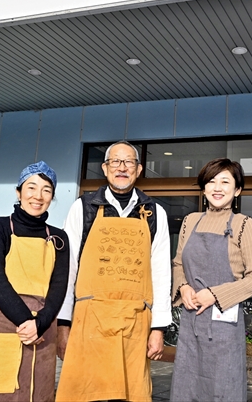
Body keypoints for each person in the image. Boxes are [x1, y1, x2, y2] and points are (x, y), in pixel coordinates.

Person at [56, 141, 171, 402]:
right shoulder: (82, 208)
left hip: (135, 322)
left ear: (139, 169)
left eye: (129, 162)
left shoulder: (154, 213)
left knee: (129, 394)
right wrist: (63, 323)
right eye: (115, 162)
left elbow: (162, 272)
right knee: (86, 393)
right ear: (105, 168)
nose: (122, 168)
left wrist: (159, 328)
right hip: (89, 321)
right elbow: (67, 267)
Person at [0, 161, 68, 401]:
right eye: (31, 188)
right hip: (2, 322)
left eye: (46, 190)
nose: (38, 196)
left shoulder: (59, 238)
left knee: (37, 394)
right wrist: (26, 321)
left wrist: (40, 322)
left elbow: (59, 286)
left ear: (52, 196)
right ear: (18, 192)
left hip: (42, 329)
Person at [169, 158, 252, 402]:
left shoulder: (244, 225)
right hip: (191, 322)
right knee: (186, 385)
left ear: (237, 190)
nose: (217, 187)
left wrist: (214, 294)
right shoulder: (190, 221)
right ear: (204, 188)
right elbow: (178, 263)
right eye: (211, 181)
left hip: (224, 326)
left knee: (222, 389)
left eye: (225, 181)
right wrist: (183, 287)